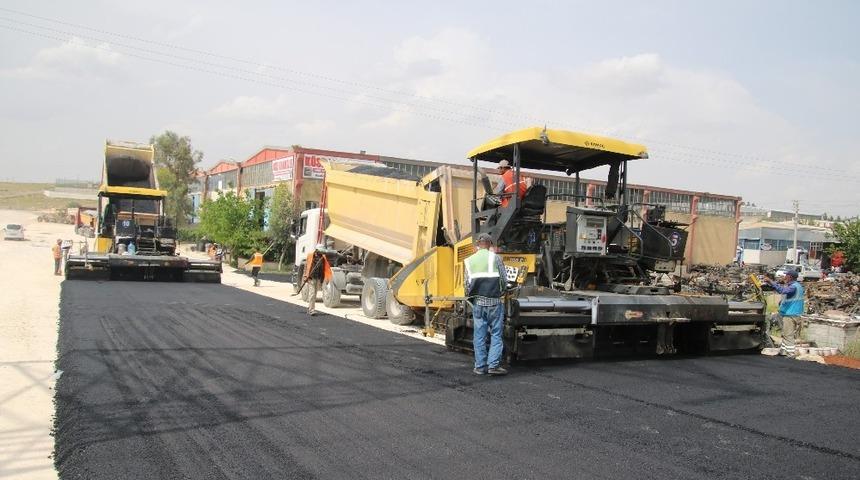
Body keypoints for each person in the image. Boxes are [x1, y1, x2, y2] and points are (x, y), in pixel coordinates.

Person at [464, 233, 508, 375]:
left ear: (478, 244)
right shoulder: (496, 258)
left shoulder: (469, 260)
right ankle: (493, 366)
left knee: (479, 335)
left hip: (478, 303)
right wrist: (503, 291)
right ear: (489, 244)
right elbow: (504, 280)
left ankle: (480, 366)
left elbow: (466, 285)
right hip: (494, 303)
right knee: (496, 334)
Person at [764, 270, 805, 357]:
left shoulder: (793, 287)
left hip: (791, 314)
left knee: (788, 334)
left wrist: (771, 282)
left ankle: (790, 353)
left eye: (786, 275)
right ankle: (783, 351)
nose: (784, 277)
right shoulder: (798, 286)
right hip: (793, 313)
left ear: (790, 277)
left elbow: (782, 290)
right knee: (785, 333)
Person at [303, 244, 331, 316]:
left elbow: (325, 269)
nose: (322, 252)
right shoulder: (310, 256)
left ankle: (310, 307)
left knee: (314, 294)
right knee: (312, 293)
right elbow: (306, 266)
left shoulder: (323, 257)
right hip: (311, 277)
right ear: (317, 250)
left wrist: (326, 278)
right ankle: (311, 310)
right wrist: (305, 276)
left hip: (318, 278)